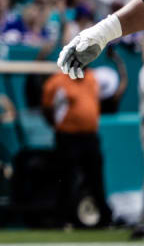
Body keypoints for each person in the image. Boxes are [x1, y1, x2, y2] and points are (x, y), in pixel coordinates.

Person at [41, 67, 106, 227]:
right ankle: (62, 218)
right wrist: (59, 126)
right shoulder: (57, 81)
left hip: (89, 136)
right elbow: (47, 108)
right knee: (66, 177)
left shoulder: (92, 78)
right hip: (68, 137)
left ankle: (104, 217)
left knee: (95, 177)